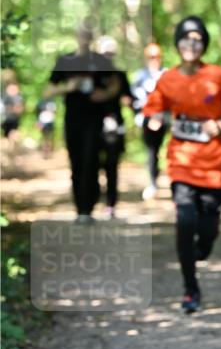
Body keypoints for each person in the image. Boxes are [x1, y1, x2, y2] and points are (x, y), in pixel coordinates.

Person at [143, 16, 221, 313]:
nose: (191, 43)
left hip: (216, 165)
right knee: (185, 222)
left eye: (197, 38)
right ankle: (190, 290)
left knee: (208, 227)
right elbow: (152, 109)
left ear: (204, 44)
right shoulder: (168, 79)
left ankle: (205, 243)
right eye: (186, 38)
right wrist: (153, 120)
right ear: (177, 44)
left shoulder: (218, 75)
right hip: (182, 164)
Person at [46, 22, 121, 222]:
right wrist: (68, 87)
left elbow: (116, 84)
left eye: (88, 34)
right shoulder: (65, 61)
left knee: (91, 161)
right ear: (76, 36)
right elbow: (48, 90)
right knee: (76, 163)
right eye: (81, 34)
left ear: (91, 37)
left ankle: (88, 207)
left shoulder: (100, 61)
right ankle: (80, 209)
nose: (84, 38)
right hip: (72, 121)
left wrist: (104, 94)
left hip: (94, 121)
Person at [96, 36, 132, 219]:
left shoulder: (119, 74)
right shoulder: (91, 74)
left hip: (114, 127)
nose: (108, 56)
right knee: (92, 164)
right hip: (93, 128)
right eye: (105, 53)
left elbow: (129, 97)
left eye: (111, 53)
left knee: (112, 166)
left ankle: (110, 204)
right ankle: (93, 199)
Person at [131, 42, 166, 200]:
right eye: (151, 57)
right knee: (152, 151)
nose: (154, 60)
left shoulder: (166, 74)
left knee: (162, 150)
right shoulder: (140, 76)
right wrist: (145, 116)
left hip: (164, 118)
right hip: (146, 118)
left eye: (156, 57)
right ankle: (152, 183)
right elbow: (134, 100)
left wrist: (162, 116)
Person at [0, 77, 25, 144]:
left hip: (14, 119)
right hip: (5, 118)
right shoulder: (4, 95)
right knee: (7, 135)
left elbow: (20, 108)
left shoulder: (18, 97)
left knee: (14, 134)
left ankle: (12, 148)